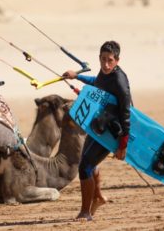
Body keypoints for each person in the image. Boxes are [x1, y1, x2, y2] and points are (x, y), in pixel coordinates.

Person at [63, 40, 132, 221]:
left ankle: (85, 212)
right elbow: (98, 82)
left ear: (117, 60)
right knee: (88, 162)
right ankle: (99, 197)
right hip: (101, 123)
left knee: (84, 167)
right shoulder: (105, 72)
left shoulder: (120, 82)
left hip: (113, 131)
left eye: (110, 60)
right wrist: (76, 76)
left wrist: (122, 145)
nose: (106, 64)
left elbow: (126, 114)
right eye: (103, 60)